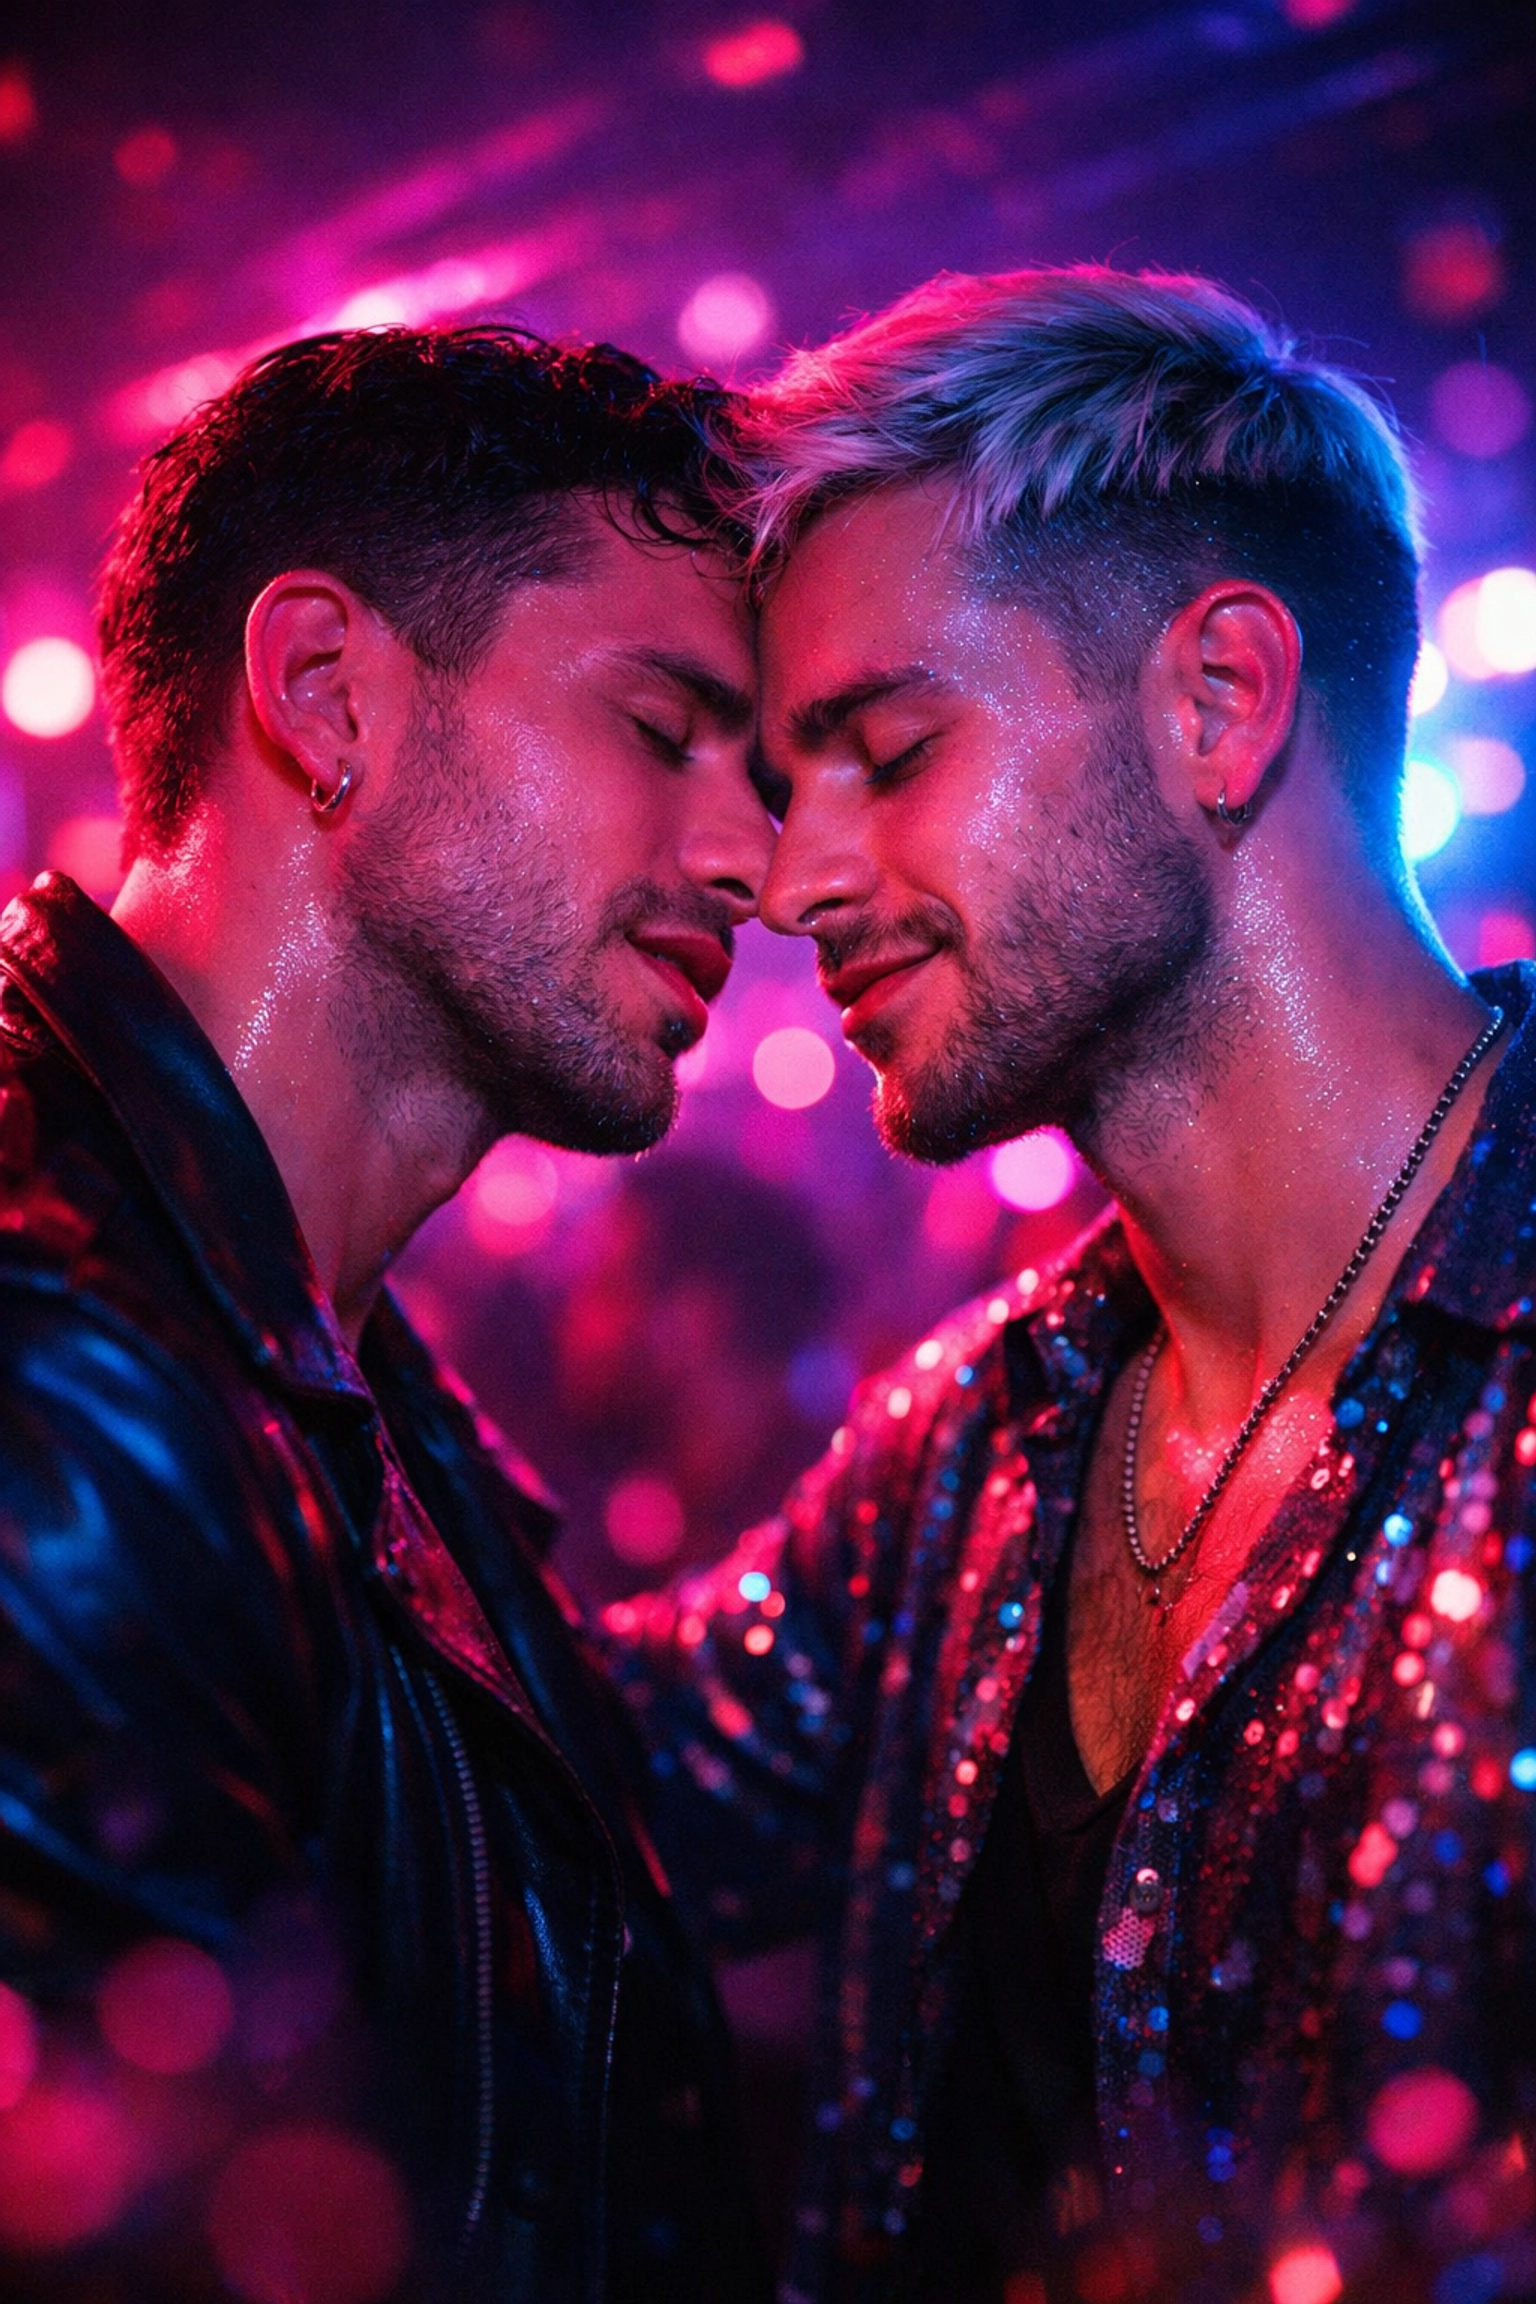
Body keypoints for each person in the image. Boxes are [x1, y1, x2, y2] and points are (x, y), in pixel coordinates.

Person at [604, 269, 1536, 2304]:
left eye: (886, 750)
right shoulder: (984, 1434)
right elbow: (574, 1784)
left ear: (1219, 702)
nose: (790, 878)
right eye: (787, 780)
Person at [0, 326, 778, 2301]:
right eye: (665, 728)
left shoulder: (332, 1377)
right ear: (326, 694)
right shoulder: (62, 1365)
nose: (751, 859)